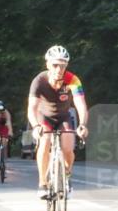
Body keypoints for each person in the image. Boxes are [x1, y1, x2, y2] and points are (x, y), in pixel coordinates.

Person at [27, 45, 89, 199]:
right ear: (48, 64)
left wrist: (82, 124)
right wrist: (35, 126)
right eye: (55, 65)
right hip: (44, 117)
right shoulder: (39, 81)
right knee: (45, 140)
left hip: (63, 117)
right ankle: (43, 183)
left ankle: (66, 175)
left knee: (68, 147)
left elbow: (80, 103)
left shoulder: (73, 80)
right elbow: (32, 108)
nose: (59, 69)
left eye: (63, 65)